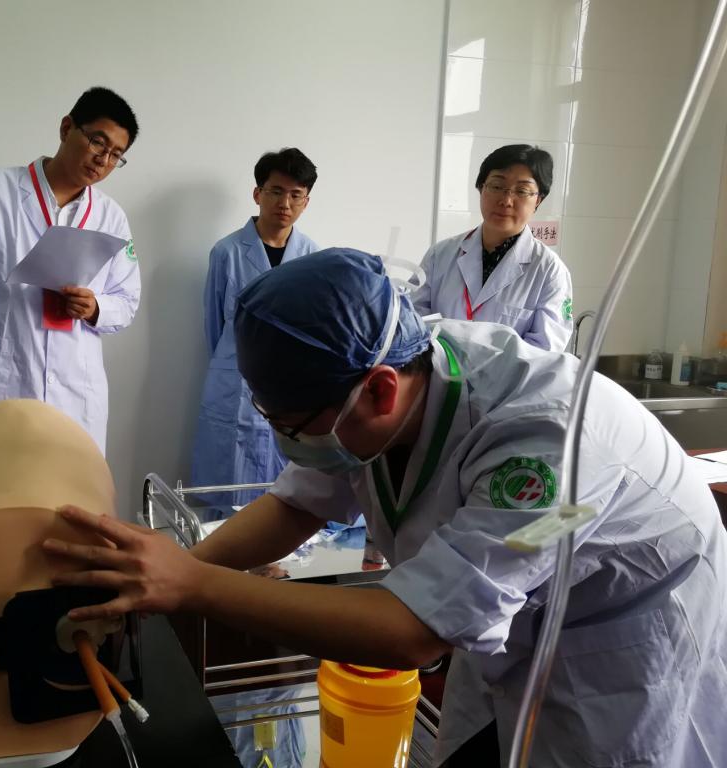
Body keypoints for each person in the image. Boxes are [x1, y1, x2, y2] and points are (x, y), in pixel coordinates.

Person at [42, 249, 727, 767]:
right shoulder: (389, 368)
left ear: (380, 390)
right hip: (514, 632)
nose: (284, 439)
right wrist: (167, 574)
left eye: (291, 423)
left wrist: (192, 585)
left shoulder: (545, 449)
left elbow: (411, 634)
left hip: (622, 650)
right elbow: (296, 506)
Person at [0, 87, 141, 499]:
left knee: (71, 507)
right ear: (66, 128)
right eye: (97, 141)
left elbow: (127, 300)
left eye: (116, 154)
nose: (103, 159)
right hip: (5, 382)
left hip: (75, 391)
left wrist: (95, 307)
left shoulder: (111, 217)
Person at [190, 148, 319, 506]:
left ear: (306, 202)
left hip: (290, 387)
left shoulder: (312, 256)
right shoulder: (227, 252)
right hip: (235, 381)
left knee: (284, 493)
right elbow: (215, 326)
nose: (285, 203)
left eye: (296, 195)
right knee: (226, 491)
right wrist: (232, 364)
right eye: (276, 191)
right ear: (257, 193)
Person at [412, 144, 573, 351]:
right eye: (497, 186)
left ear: (538, 201)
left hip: (507, 374)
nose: (506, 200)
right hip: (437, 369)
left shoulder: (549, 271)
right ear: (481, 189)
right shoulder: (440, 255)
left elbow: (544, 351)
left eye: (522, 191)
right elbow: (412, 320)